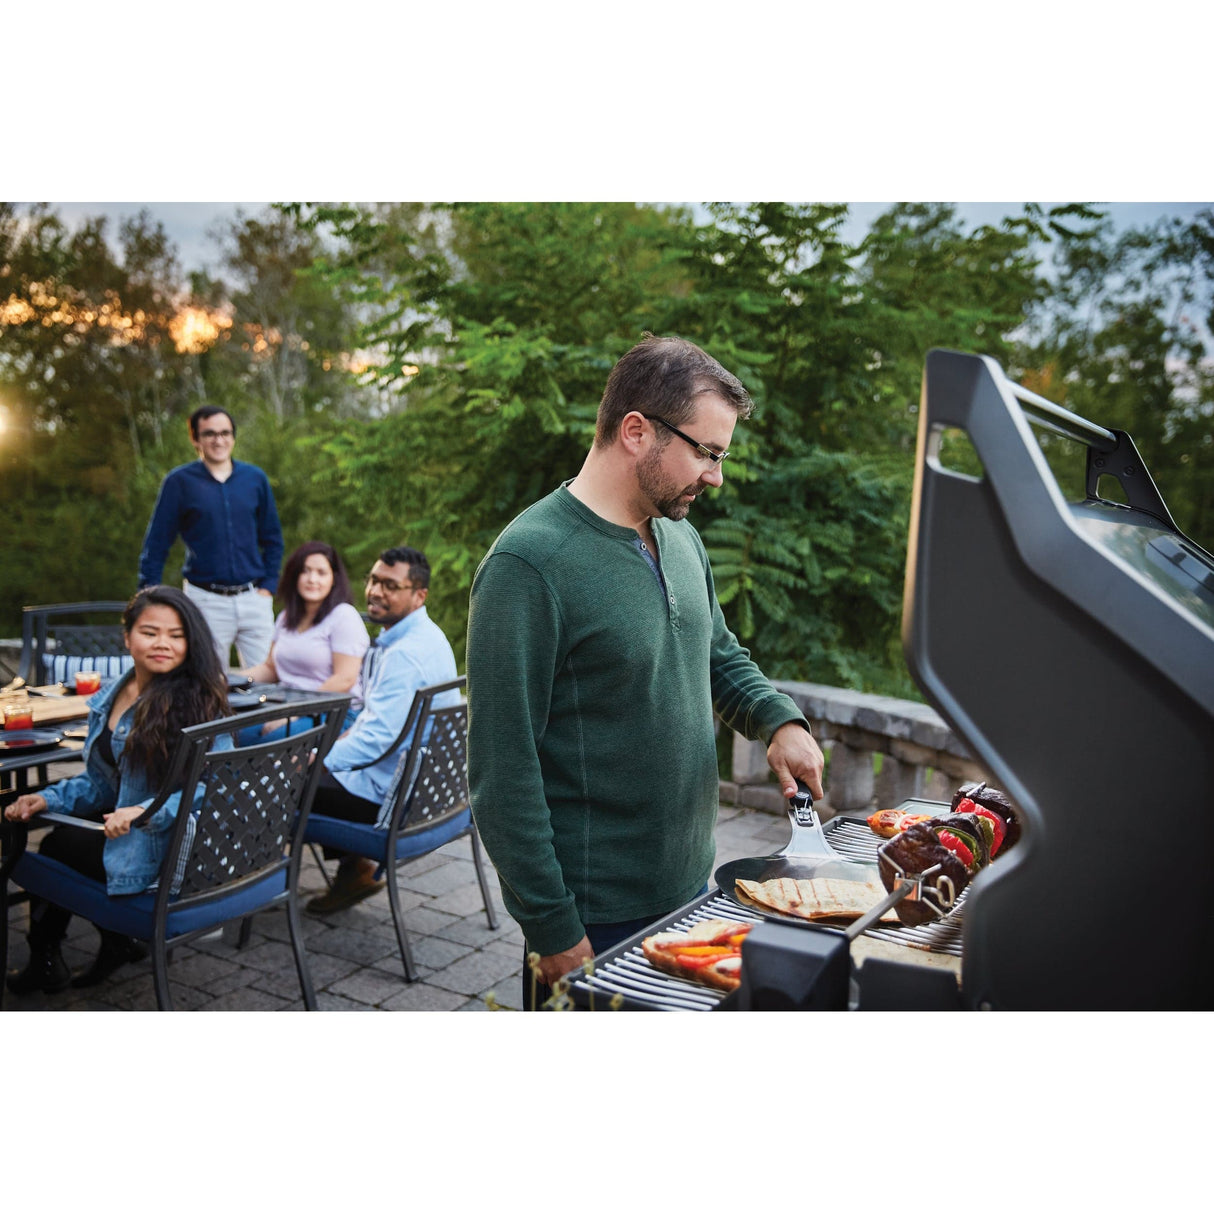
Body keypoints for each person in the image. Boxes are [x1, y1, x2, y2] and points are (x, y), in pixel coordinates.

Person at [465, 334, 826, 1009]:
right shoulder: (528, 566)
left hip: (693, 887)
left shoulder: (679, 536)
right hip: (592, 916)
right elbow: (500, 771)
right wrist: (551, 927)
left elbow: (716, 651)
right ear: (636, 431)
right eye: (707, 453)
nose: (715, 475)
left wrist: (776, 719)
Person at [4, 586, 231, 995]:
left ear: (190, 642)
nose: (163, 643)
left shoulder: (198, 701)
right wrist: (48, 797)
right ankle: (110, 943)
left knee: (46, 848)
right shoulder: (112, 696)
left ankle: (50, 955)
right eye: (150, 632)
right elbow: (103, 784)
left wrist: (144, 811)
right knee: (54, 826)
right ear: (126, 637)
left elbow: (212, 789)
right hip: (134, 825)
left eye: (176, 635)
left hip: (170, 848)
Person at [303, 545, 460, 915]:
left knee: (280, 783)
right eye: (373, 580)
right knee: (326, 752)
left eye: (390, 585)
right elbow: (379, 725)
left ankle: (241, 888)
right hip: (422, 789)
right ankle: (354, 870)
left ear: (419, 595)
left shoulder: (405, 653)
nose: (375, 591)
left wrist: (317, 761)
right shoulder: (429, 636)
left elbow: (376, 740)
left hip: (390, 796)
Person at [138, 404, 284, 668]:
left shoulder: (254, 479)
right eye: (210, 434)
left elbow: (272, 536)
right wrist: (148, 596)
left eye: (225, 433)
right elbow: (157, 543)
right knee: (206, 683)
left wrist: (268, 586)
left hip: (254, 599)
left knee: (270, 681)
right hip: (205, 601)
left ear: (233, 437)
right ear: (196, 439)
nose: (219, 440)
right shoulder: (179, 482)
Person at [234, 541, 370, 745]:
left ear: (333, 579)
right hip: (285, 705)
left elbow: (345, 679)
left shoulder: (343, 616)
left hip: (334, 712)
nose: (312, 579)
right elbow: (271, 669)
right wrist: (228, 680)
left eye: (321, 573)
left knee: (269, 742)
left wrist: (295, 713)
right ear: (294, 576)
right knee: (231, 734)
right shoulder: (287, 617)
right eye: (305, 571)